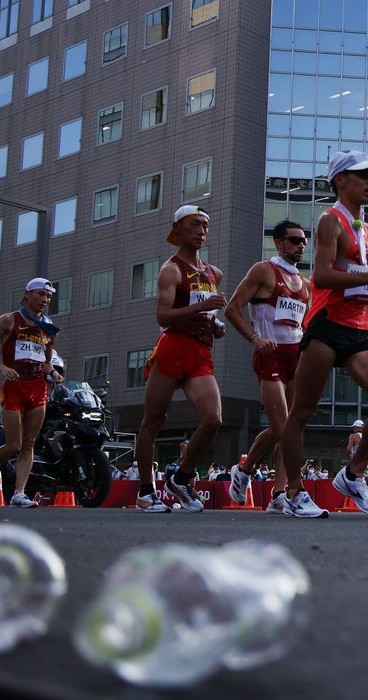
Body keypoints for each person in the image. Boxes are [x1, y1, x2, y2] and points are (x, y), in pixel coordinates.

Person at [280, 150, 368, 516]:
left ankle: (353, 473)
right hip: (327, 325)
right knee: (301, 412)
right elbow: (321, 276)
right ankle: (293, 493)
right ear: (339, 180)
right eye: (362, 175)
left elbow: (356, 278)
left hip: (360, 327)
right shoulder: (329, 220)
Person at [223, 219, 326, 517]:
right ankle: (294, 491)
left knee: (291, 427)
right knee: (284, 428)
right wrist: (255, 338)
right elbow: (232, 307)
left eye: (304, 241)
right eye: (295, 240)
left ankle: (270, 488)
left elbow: (301, 323)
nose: (301, 245)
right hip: (270, 355)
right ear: (279, 243)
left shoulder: (304, 285)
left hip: (297, 356)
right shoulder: (263, 270)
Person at [134, 206, 227, 514]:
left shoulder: (214, 273)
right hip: (173, 347)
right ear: (178, 229)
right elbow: (162, 315)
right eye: (194, 225)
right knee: (153, 421)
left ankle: (181, 476)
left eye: (205, 225)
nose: (201, 230)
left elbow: (207, 312)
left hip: (201, 351)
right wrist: (203, 310)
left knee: (213, 419)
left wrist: (215, 324)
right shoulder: (171, 270)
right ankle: (146, 492)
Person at [0, 278, 63, 508]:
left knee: (29, 443)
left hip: (38, 387)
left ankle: (19, 494)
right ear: (27, 294)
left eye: (49, 296)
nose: (45, 300)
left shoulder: (49, 328)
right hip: (14, 386)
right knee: (14, 444)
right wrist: (1, 367)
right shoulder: (8, 320)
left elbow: (46, 361)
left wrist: (53, 373)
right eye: (41, 294)